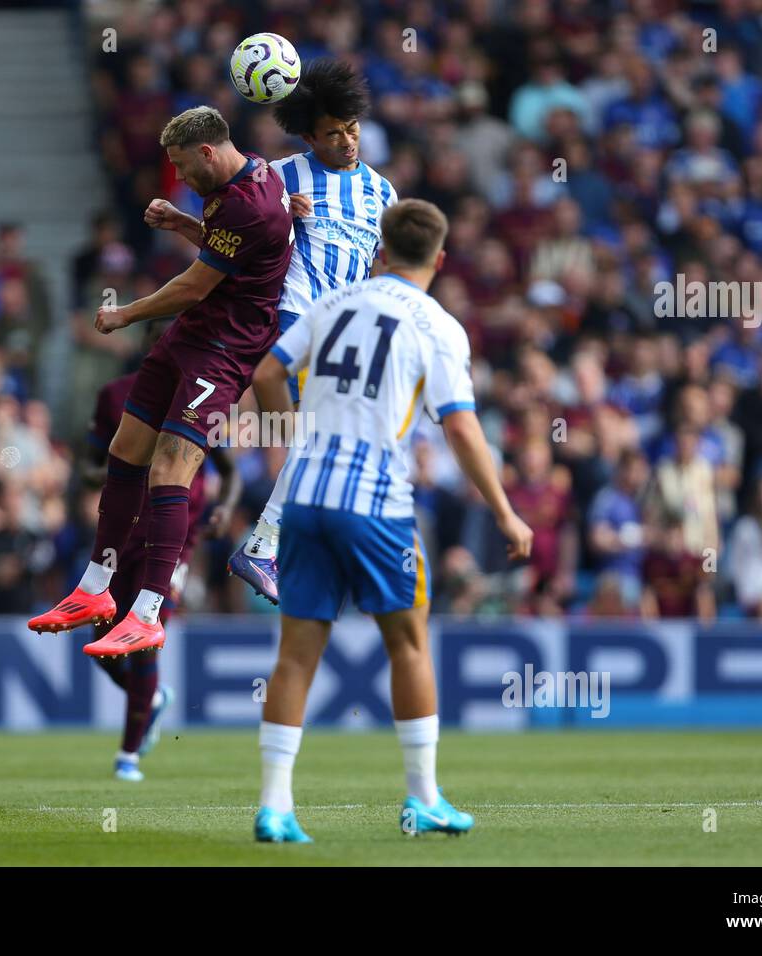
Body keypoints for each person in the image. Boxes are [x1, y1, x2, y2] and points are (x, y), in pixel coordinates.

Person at [245, 199, 533, 842]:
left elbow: (267, 370)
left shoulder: (333, 303)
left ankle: (275, 806)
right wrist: (506, 512)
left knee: (294, 655)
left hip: (306, 498)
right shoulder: (438, 326)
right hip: (375, 503)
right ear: (440, 257)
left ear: (380, 248)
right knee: (407, 642)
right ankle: (423, 798)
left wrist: (283, 440)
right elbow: (459, 425)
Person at [27, 106, 292, 656]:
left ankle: (147, 611)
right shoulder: (244, 179)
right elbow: (229, 253)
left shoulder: (253, 202)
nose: (180, 178)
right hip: (191, 338)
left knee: (170, 469)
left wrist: (127, 314)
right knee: (126, 450)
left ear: (208, 153)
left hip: (225, 352)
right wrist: (182, 223)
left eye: (181, 166)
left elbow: (196, 285)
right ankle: (95, 589)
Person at [223, 60, 398, 605]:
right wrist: (279, 217)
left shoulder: (382, 193)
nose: (347, 141)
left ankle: (270, 542)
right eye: (332, 134)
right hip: (295, 318)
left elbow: (380, 269)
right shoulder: (280, 176)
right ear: (308, 137)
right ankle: (267, 545)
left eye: (352, 129)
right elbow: (228, 227)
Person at [82, 319, 241, 782]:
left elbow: (229, 471)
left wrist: (224, 508)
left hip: (175, 542)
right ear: (155, 346)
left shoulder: (203, 396)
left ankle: (128, 755)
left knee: (143, 637)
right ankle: (149, 699)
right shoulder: (115, 397)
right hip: (122, 538)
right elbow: (89, 463)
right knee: (98, 646)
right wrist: (112, 474)